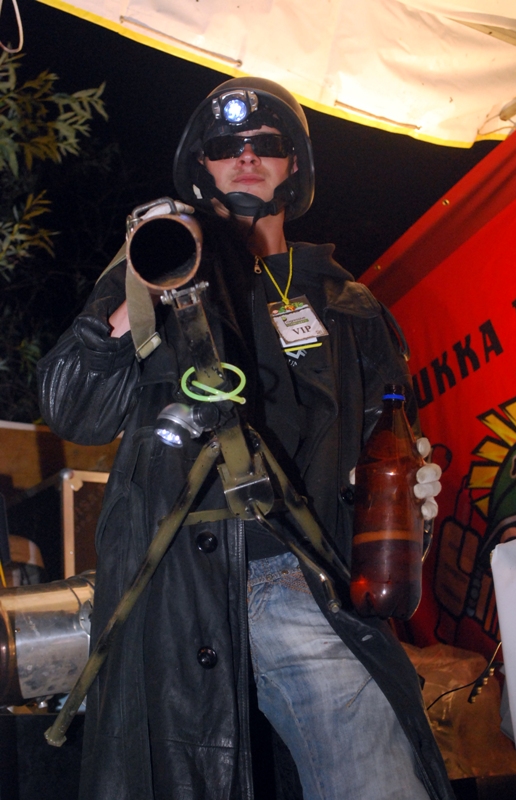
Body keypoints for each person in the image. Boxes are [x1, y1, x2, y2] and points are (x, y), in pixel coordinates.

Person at [37, 77, 452, 800]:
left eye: (267, 144)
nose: (247, 157)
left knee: (381, 779)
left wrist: (413, 491)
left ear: (295, 166)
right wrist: (148, 278)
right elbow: (76, 409)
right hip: (177, 588)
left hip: (303, 580)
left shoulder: (348, 305)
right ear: (203, 167)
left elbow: (386, 441)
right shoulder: (165, 262)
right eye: (227, 146)